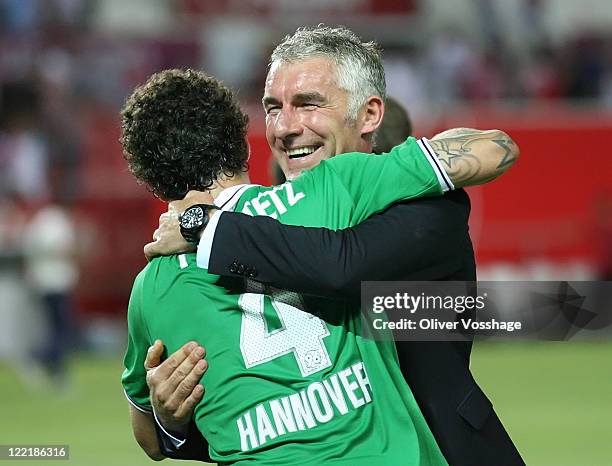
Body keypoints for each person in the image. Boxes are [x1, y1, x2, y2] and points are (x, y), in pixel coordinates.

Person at [127, 26, 522, 465]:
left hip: (447, 445)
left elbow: (343, 267)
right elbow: (250, 421)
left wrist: (209, 226)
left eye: (308, 104)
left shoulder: (425, 205)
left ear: (370, 115)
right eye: (273, 109)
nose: (286, 127)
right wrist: (173, 420)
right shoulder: (280, 205)